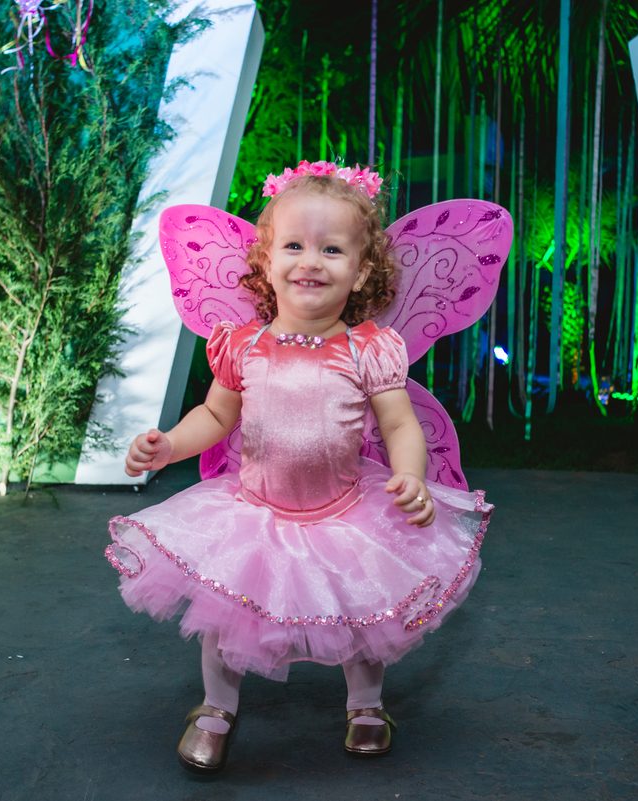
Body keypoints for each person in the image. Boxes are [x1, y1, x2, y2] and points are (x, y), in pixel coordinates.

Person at [105, 162, 491, 774]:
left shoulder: (370, 347)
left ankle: (365, 705)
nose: (310, 261)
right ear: (264, 260)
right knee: (227, 610)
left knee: (365, 612)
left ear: (361, 270)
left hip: (344, 510)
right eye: (294, 245)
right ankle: (215, 709)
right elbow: (214, 415)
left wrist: (412, 475)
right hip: (254, 510)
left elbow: (398, 425)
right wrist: (169, 445)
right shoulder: (242, 345)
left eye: (331, 249)